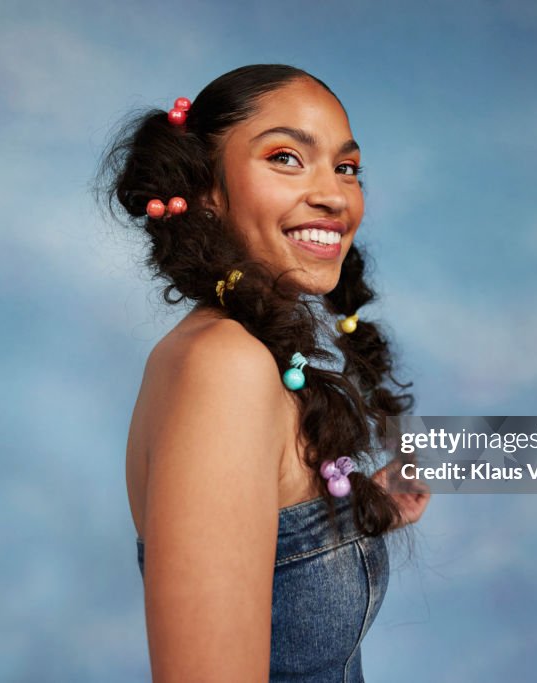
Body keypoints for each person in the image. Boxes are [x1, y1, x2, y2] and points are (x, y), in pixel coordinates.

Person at [96, 64, 430, 682]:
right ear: (206, 191)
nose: (334, 194)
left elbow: (264, 548)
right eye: (285, 157)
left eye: (347, 167)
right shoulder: (224, 366)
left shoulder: (238, 351)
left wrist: (345, 517)